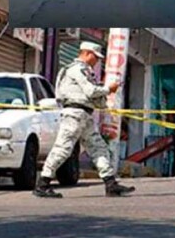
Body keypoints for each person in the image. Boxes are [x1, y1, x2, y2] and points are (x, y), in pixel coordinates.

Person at [34, 42, 136, 198]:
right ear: (87, 53)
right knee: (63, 148)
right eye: (95, 57)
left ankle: (110, 184)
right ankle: (43, 183)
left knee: (99, 148)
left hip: (84, 115)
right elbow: (90, 91)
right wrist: (109, 89)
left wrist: (104, 94)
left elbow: (93, 96)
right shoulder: (77, 69)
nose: (97, 61)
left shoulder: (84, 71)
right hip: (74, 114)